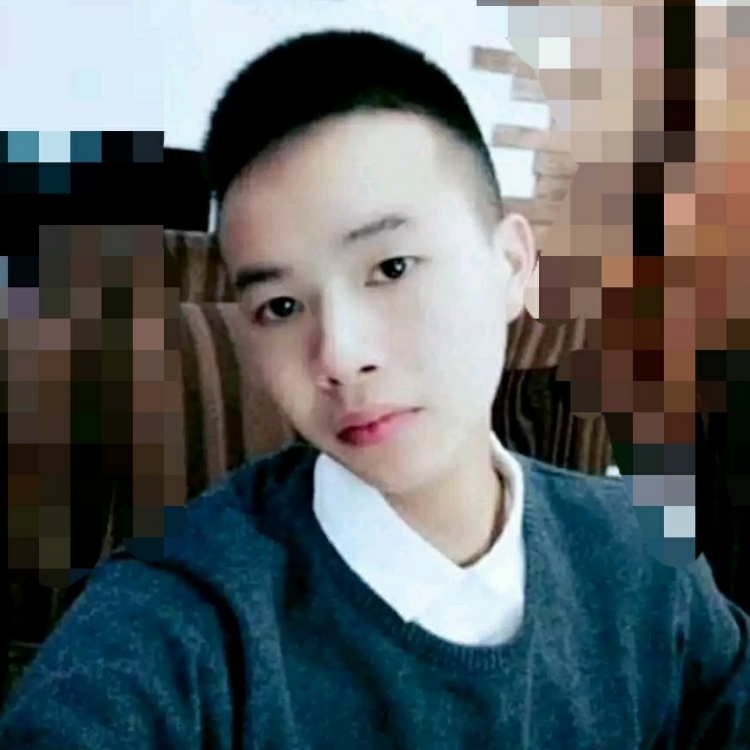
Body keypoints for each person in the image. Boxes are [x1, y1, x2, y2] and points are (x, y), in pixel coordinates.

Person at [1, 30, 748, 749]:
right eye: (281, 306)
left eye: (392, 268)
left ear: (512, 265)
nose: (340, 356)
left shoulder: (644, 561)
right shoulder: (180, 627)